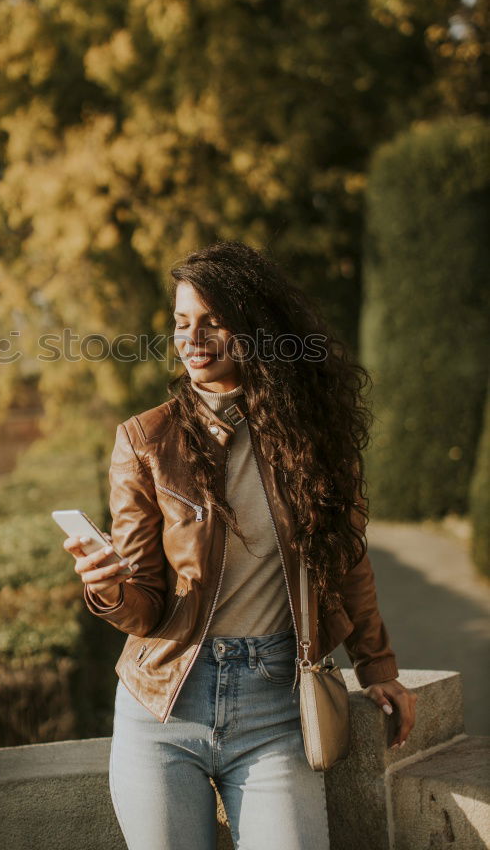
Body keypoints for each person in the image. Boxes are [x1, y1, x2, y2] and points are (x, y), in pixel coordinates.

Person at [63, 240, 417, 850]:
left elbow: (346, 558)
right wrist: (108, 588)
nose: (192, 337)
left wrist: (377, 665)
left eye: (212, 321)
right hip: (163, 703)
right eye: (180, 323)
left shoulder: (312, 437)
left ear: (255, 329)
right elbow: (145, 607)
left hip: (276, 706)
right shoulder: (145, 440)